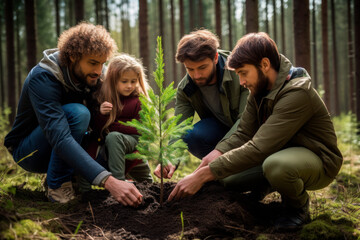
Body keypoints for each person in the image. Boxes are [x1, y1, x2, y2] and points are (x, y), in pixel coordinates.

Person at [168, 32, 343, 230]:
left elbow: (259, 147)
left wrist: (203, 175)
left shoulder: (297, 92)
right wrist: (214, 156)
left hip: (316, 158)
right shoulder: (260, 87)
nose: (241, 81)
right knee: (228, 178)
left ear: (265, 65)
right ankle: (267, 184)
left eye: (243, 73)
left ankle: (297, 207)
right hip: (277, 150)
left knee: (276, 166)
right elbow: (243, 132)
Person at [4, 22, 143, 207]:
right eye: (93, 63)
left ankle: (73, 177)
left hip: (70, 145)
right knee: (78, 113)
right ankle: (58, 184)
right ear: (72, 57)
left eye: (102, 63)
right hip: (30, 151)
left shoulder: (92, 77)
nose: (98, 71)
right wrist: (109, 181)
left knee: (105, 136)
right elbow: (59, 136)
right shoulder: (43, 79)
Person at [154, 29, 249, 179]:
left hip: (252, 131)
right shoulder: (186, 88)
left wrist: (220, 151)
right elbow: (179, 127)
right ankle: (223, 175)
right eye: (189, 69)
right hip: (222, 128)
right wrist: (170, 158)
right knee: (192, 135)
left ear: (216, 57)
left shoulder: (240, 72)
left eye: (202, 67)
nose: (196, 75)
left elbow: (246, 122)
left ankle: (248, 174)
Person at [79, 54, 153, 193]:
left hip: (135, 142)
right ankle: (84, 194)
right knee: (87, 148)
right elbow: (97, 129)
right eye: (124, 81)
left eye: (133, 81)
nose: (129, 86)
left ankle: (119, 183)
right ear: (113, 81)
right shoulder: (103, 97)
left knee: (148, 184)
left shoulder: (139, 100)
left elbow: (141, 130)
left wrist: (111, 125)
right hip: (106, 142)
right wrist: (101, 114)